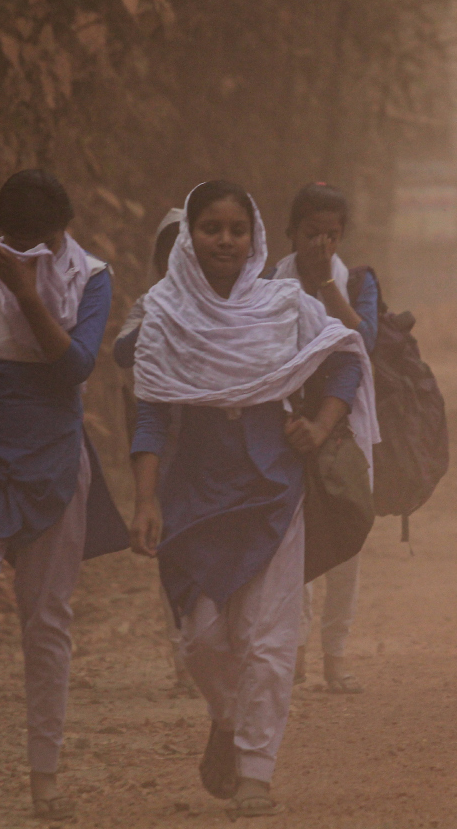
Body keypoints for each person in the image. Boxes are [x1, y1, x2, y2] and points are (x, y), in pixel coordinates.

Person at [129, 181, 377, 817]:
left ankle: (255, 775)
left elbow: (346, 357)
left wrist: (320, 425)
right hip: (194, 497)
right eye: (211, 228)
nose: (225, 240)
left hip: (273, 490)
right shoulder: (164, 313)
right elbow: (151, 409)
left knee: (268, 642)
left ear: (255, 238)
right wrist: (146, 499)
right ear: (189, 237)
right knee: (201, 641)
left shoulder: (284, 305)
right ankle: (228, 718)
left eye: (237, 230)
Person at [0, 169, 128, 821]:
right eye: (15, 241)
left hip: (52, 456)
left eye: (40, 242)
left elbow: (75, 366)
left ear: (61, 234)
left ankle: (45, 778)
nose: (27, 252)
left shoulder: (92, 278)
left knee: (46, 620)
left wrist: (27, 292)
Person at [269, 182, 378, 694]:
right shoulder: (268, 285)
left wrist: (326, 284)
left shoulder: (357, 282)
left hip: (345, 425)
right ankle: (296, 652)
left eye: (332, 235)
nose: (322, 245)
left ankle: (336, 653)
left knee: (347, 543)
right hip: (287, 427)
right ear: (291, 232)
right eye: (312, 233)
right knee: (295, 541)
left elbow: (362, 341)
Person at [112, 206, 198, 696]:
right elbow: (122, 351)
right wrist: (163, 318)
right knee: (171, 549)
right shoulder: (148, 303)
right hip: (163, 444)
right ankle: (183, 658)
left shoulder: (227, 303)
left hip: (211, 444)